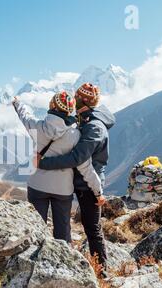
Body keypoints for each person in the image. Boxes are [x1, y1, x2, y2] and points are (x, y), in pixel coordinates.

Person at [36, 83, 115, 273]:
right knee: (66, 222)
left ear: (84, 101)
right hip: (76, 180)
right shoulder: (84, 118)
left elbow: (77, 157)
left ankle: (102, 270)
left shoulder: (94, 127)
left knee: (92, 228)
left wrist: (43, 163)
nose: (74, 99)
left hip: (89, 183)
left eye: (77, 97)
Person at [12, 92, 105, 243]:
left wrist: (17, 103)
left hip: (37, 185)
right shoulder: (75, 135)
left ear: (52, 105)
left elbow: (24, 115)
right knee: (63, 232)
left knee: (36, 228)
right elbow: (85, 166)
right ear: (70, 110)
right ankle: (65, 260)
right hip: (63, 189)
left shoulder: (38, 127)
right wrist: (98, 191)